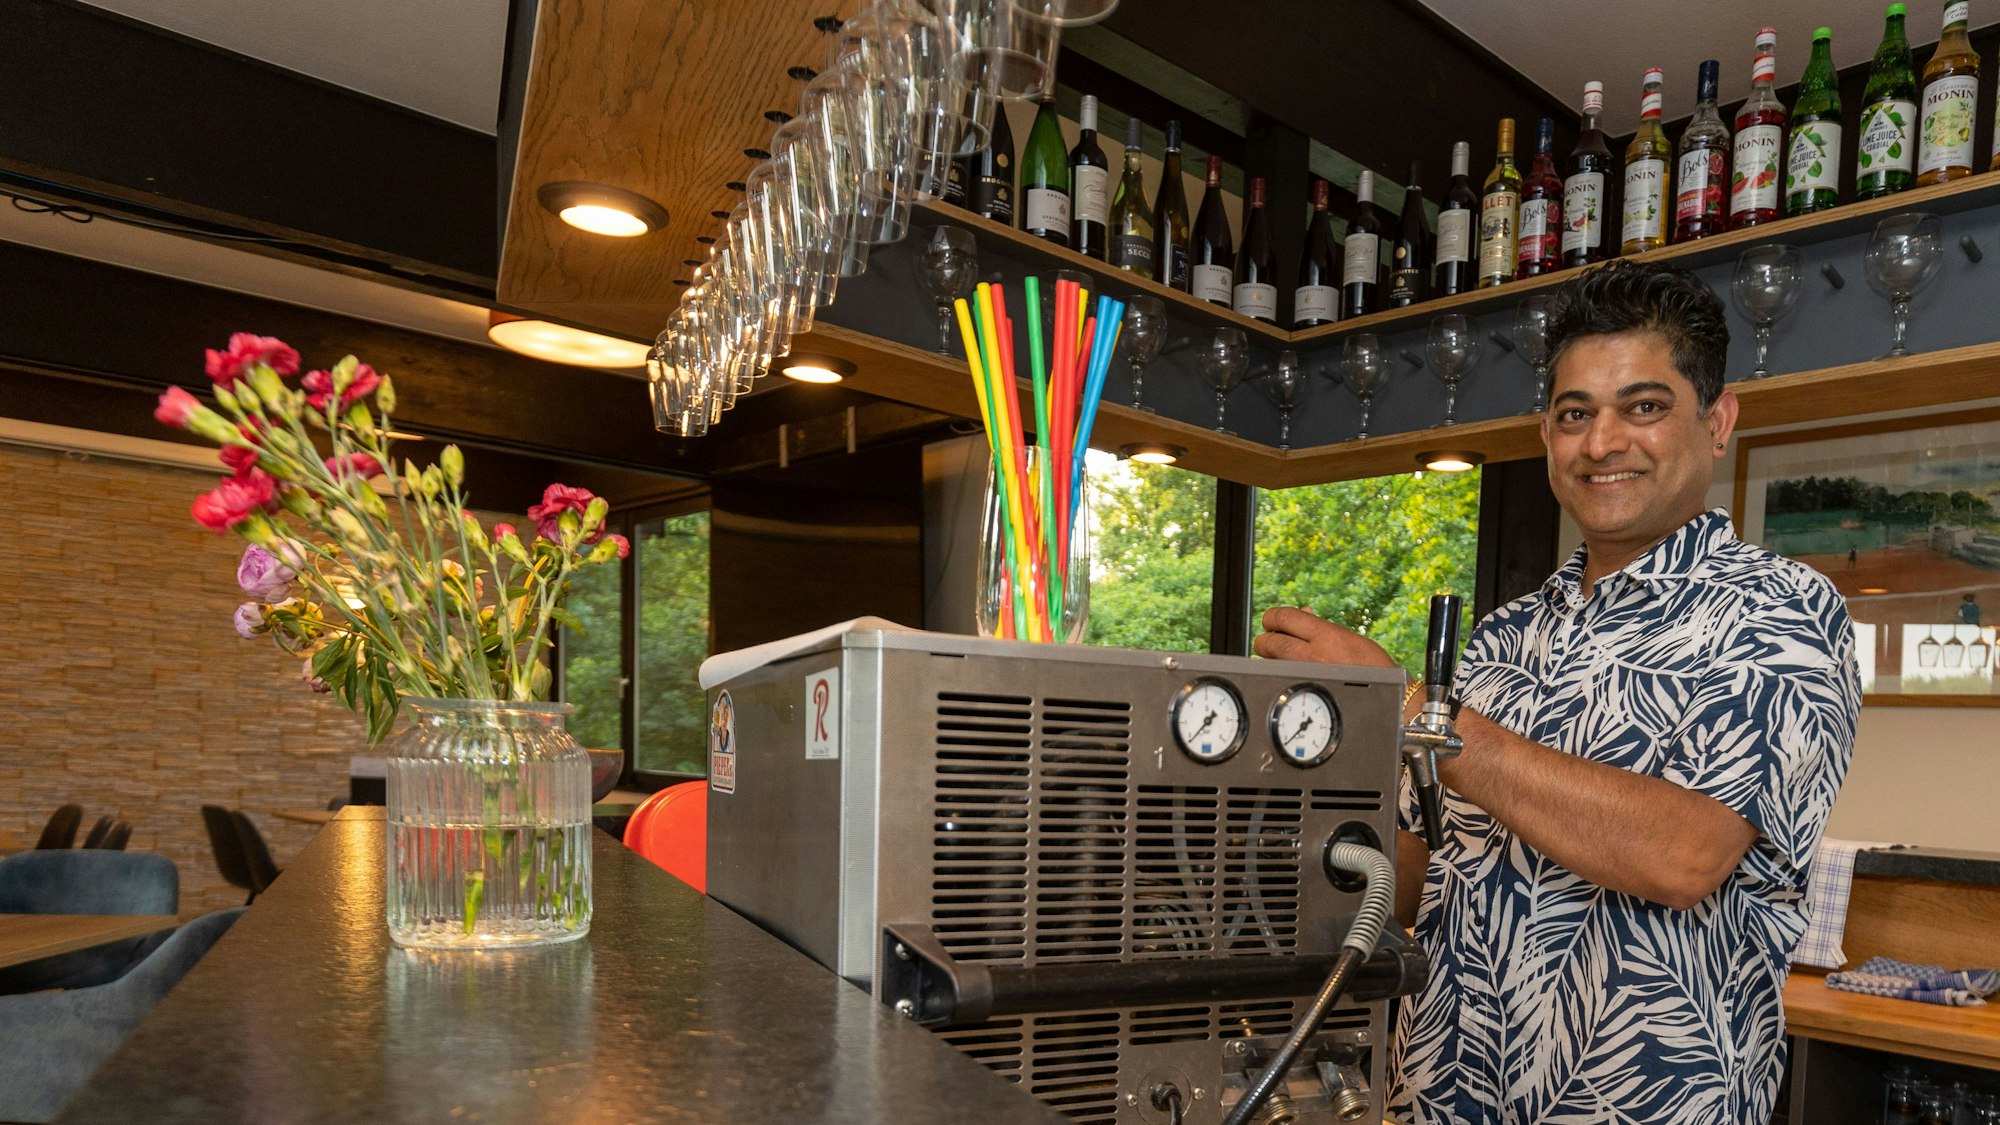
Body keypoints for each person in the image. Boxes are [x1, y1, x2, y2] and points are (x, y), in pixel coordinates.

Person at [1254, 260, 1861, 1125]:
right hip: (1444, 1102)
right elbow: (1416, 879)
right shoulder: (1503, 639)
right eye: (1575, 414)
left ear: (1718, 422)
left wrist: (1421, 710)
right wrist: (1309, 758)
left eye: (1643, 407)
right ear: (1547, 436)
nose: (1602, 441)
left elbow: (1681, 855)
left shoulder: (1782, 611)